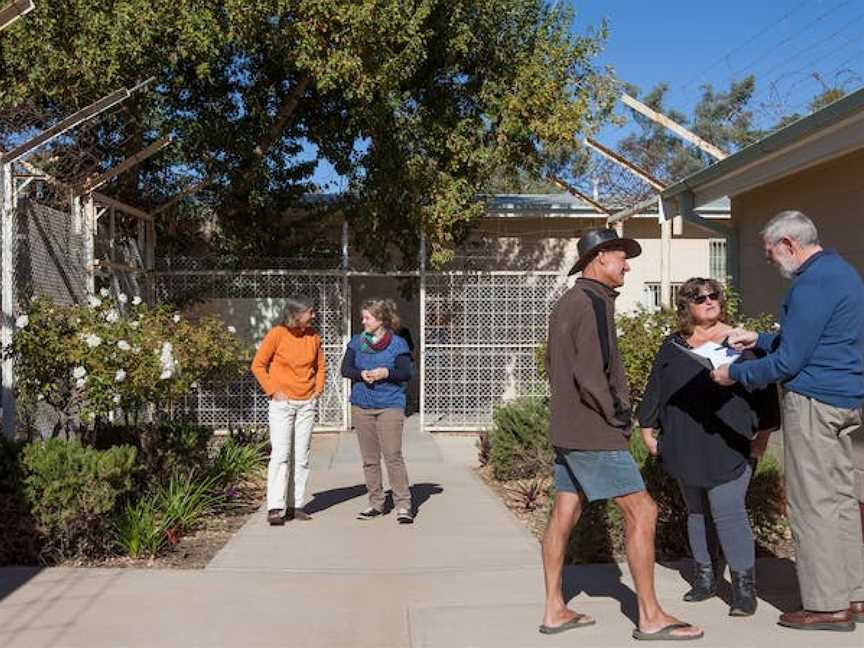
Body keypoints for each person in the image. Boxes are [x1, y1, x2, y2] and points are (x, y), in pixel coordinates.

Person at [540, 227, 703, 641]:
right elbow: (590, 374)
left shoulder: (569, 303)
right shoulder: (592, 303)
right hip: (595, 431)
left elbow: (562, 368)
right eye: (620, 257)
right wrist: (620, 416)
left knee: (565, 512)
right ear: (598, 259)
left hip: (568, 427)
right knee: (643, 511)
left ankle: (554, 608)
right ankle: (650, 617)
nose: (627, 265)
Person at [713, 210, 864, 631]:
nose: (770, 261)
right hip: (845, 399)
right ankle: (854, 594)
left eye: (769, 253)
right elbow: (814, 337)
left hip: (814, 402)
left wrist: (734, 373)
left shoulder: (811, 284)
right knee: (838, 501)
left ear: (789, 245)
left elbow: (789, 361)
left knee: (812, 504)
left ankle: (826, 606)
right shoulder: (841, 273)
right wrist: (757, 339)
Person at [637, 277, 779, 617]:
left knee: (728, 510)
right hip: (684, 441)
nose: (708, 301)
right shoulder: (673, 345)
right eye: (699, 298)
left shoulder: (743, 343)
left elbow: (766, 396)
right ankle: (705, 578)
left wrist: (761, 439)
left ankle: (744, 589)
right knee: (697, 510)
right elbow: (656, 387)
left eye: (713, 295)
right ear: (686, 306)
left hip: (731, 441)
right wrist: (646, 429)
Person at [251, 297, 325, 526]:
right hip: (282, 404)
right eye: (310, 312)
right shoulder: (277, 334)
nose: (313, 316)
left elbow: (320, 366)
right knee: (281, 455)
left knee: (301, 455)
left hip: (306, 403)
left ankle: (296, 504)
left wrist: (317, 390)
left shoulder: (313, 336)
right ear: (297, 314)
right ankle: (275, 507)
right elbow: (258, 365)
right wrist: (273, 391)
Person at [341, 298, 415, 524]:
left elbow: (405, 373)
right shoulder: (357, 342)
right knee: (370, 459)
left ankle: (403, 505)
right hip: (362, 405)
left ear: (381, 320)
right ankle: (376, 503)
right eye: (363, 317)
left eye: (367, 318)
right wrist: (360, 374)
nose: (363, 322)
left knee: (392, 455)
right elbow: (346, 369)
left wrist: (385, 373)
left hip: (389, 405)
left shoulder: (398, 343)